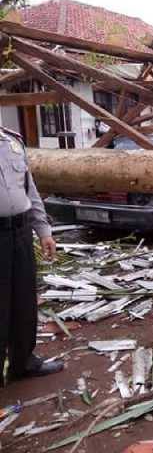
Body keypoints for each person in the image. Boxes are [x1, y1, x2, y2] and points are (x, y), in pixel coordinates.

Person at [0, 126, 64, 386]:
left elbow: (29, 189)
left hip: (21, 231)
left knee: (24, 300)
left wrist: (44, 230)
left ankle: (23, 362)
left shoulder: (12, 141)